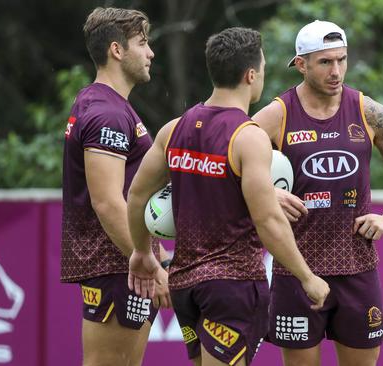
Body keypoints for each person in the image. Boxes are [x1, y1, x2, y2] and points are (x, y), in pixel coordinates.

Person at [126, 27, 330, 366]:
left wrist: (141, 251)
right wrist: (307, 278)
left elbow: (136, 196)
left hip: (185, 287)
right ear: (251, 75)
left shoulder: (174, 129)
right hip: (232, 287)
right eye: (262, 70)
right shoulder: (248, 137)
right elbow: (267, 220)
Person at [252, 20, 383, 366]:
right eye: (325, 62)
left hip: (357, 269)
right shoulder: (278, 114)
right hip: (296, 271)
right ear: (300, 64)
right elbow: (229, 163)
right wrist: (266, 193)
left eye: (342, 60)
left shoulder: (367, 111)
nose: (336, 71)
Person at [60, 7, 172, 366]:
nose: (150, 52)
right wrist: (150, 263)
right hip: (118, 267)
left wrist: (160, 256)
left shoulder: (107, 105)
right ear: (117, 50)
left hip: (125, 265)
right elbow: (108, 202)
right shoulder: (105, 112)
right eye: (142, 43)